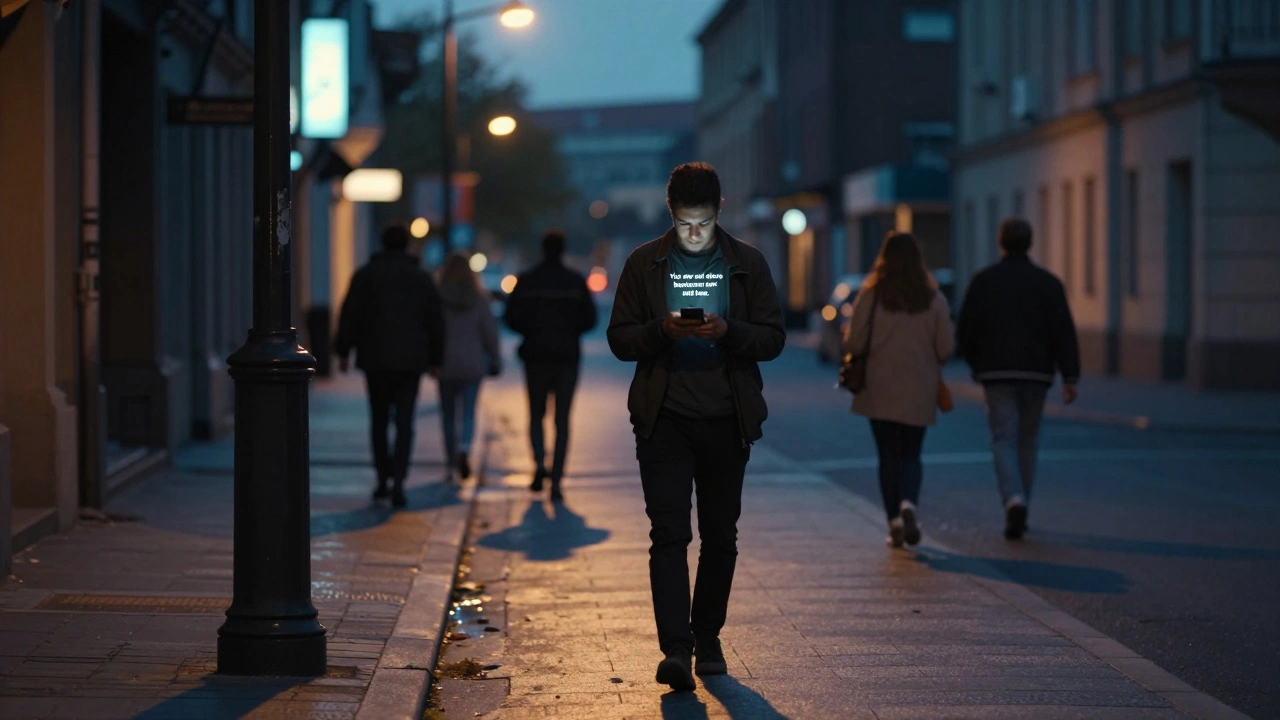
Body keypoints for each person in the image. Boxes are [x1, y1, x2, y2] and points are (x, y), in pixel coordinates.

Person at [607, 162, 785, 691]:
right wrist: (661, 331)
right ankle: (676, 650)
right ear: (670, 212)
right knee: (668, 533)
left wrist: (728, 331)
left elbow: (773, 338)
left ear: (719, 210)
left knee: (720, 535)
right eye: (685, 223)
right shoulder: (644, 263)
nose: (694, 233)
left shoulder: (747, 263)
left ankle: (707, 639)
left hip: (727, 419)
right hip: (664, 419)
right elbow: (619, 338)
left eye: (703, 223)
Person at [956, 217, 1080, 540]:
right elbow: (1063, 331)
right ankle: (1022, 499)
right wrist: (1070, 375)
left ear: (1001, 243)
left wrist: (976, 363)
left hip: (996, 372)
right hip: (1036, 373)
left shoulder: (984, 282)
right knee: (1027, 440)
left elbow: (966, 328)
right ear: (1030, 243)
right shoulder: (1048, 283)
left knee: (1003, 438)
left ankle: (1014, 499)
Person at [842, 232, 954, 549]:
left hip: (879, 387)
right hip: (919, 387)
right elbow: (946, 348)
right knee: (912, 453)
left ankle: (893, 521)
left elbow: (854, 344)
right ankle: (909, 504)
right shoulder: (933, 298)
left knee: (887, 455)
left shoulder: (871, 295)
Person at [333, 223, 445, 508]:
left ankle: (382, 478)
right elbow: (435, 320)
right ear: (407, 245)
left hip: (376, 358)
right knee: (405, 422)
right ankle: (399, 481)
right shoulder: (421, 279)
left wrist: (343, 351)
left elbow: (350, 314)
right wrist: (436, 359)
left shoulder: (366, 276)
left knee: (379, 421)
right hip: (410, 361)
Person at [502, 229, 598, 502]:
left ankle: (538, 466)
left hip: (536, 356)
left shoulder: (528, 280)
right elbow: (590, 319)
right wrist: (568, 330)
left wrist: (532, 330)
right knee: (562, 420)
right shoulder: (575, 281)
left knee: (536, 415)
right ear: (563, 250)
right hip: (567, 357)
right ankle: (556, 479)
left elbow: (510, 317)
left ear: (542, 249)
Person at [436, 251, 501, 482]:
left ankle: (450, 460)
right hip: (473, 363)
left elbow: (430, 330)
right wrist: (495, 357)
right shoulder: (479, 299)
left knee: (448, 415)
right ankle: (465, 447)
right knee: (468, 412)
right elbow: (489, 333)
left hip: (445, 363)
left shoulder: (438, 298)